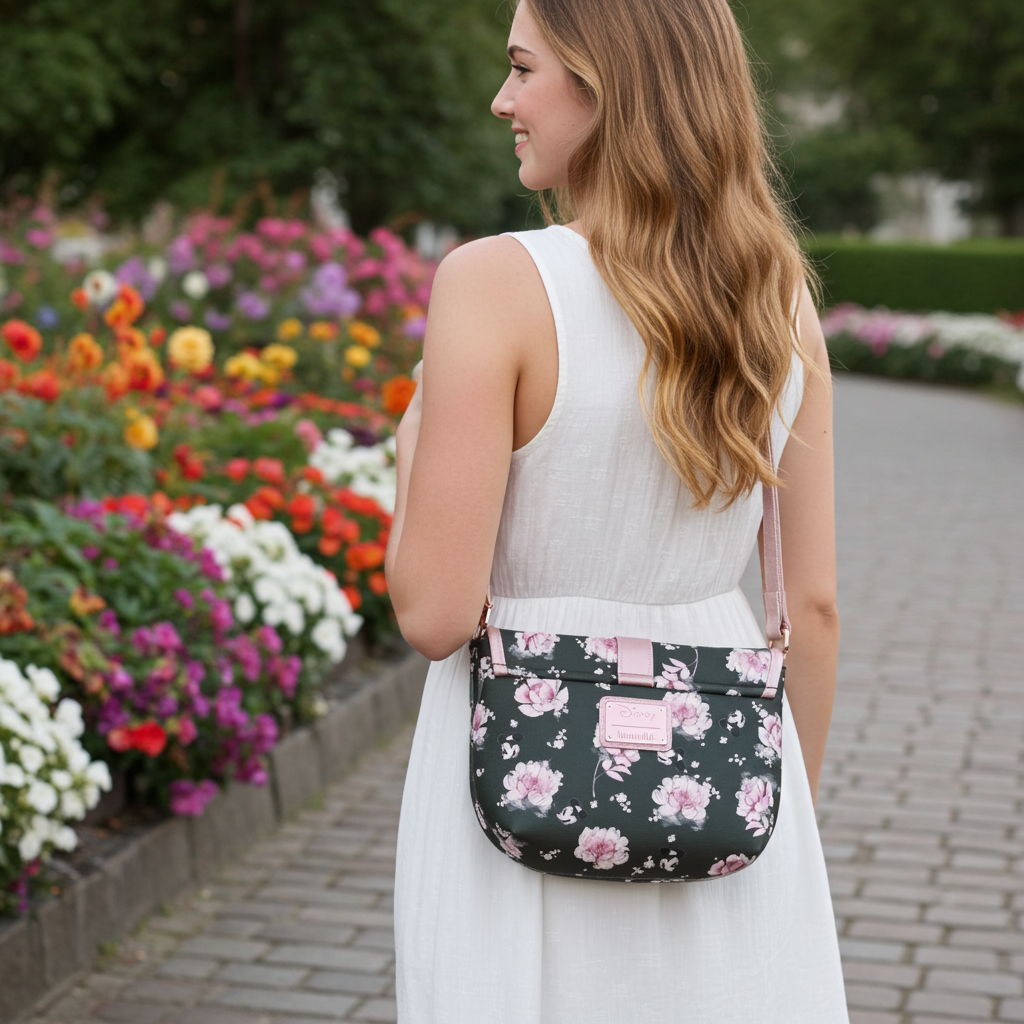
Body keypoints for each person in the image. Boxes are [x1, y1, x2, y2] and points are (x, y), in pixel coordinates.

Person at [385, 0, 848, 1020]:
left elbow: (432, 614)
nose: (502, 99)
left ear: (605, 87)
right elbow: (808, 611)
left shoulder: (494, 284)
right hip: (723, 782)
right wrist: (770, 816)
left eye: (522, 69)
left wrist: (415, 437)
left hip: (512, 792)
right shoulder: (780, 303)